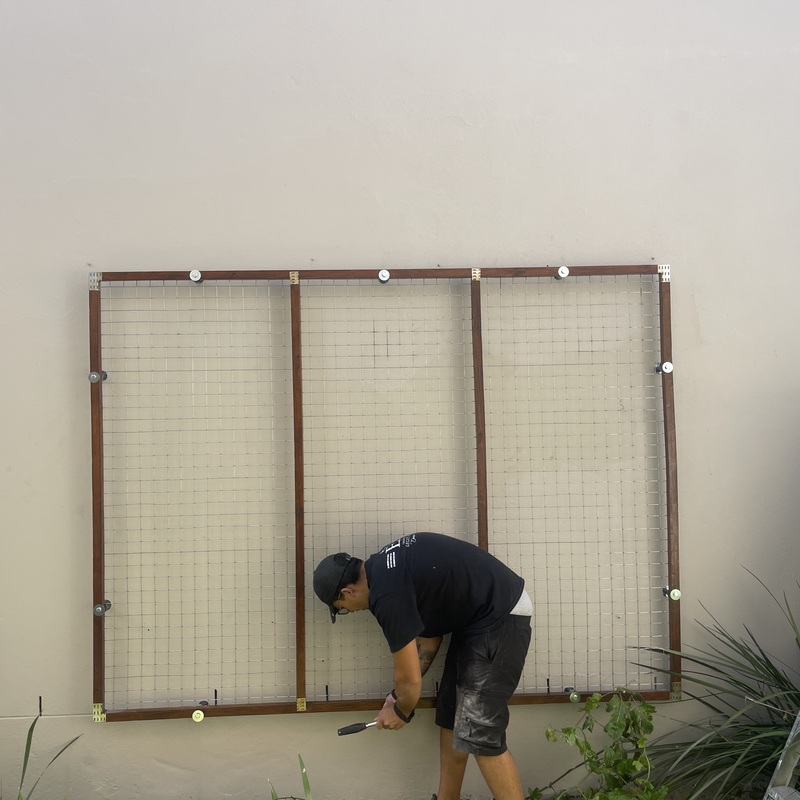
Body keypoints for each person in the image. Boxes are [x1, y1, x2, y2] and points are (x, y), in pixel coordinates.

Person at [313, 531, 532, 800]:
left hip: (500, 616)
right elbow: (430, 641)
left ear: (347, 592)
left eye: (343, 608)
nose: (352, 610)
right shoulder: (386, 568)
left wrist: (401, 710)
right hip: (478, 620)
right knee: (452, 714)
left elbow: (410, 681)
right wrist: (396, 697)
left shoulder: (386, 595)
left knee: (480, 732)